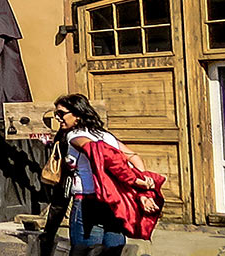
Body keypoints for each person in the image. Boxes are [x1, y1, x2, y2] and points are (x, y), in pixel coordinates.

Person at [54, 94, 152, 256]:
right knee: (113, 252)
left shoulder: (75, 136)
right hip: (114, 203)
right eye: (56, 114)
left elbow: (95, 150)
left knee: (84, 252)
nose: (58, 118)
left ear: (77, 115)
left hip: (87, 203)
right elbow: (134, 157)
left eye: (61, 114)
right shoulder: (106, 136)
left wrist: (134, 180)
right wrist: (141, 180)